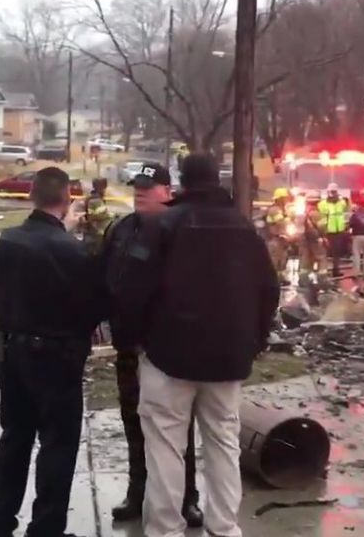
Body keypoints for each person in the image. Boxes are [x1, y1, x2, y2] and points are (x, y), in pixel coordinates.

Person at [116, 154, 280, 537]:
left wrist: (133, 339)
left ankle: (166, 529)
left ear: (183, 183)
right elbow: (268, 290)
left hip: (167, 357)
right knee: (223, 442)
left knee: (165, 448)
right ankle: (224, 528)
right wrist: (252, 342)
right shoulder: (244, 228)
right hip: (227, 359)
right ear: (216, 181)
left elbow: (133, 289)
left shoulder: (163, 226)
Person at [0, 166, 102, 537]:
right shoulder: (72, 251)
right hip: (56, 359)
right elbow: (90, 310)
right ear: (68, 199)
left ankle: (0, 523)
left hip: (11, 353)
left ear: (32, 195)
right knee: (57, 444)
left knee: (14, 438)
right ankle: (46, 529)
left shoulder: (8, 241)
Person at [100, 162, 203, 527]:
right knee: (134, 420)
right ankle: (138, 491)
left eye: (148, 185)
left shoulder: (182, 230)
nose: (139, 191)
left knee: (179, 428)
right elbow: (106, 277)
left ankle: (187, 498)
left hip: (168, 350)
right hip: (130, 347)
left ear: (168, 191)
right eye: (136, 185)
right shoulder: (122, 229)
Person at [317, 183, 350, 278]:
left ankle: (336, 270)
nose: (333, 194)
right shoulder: (322, 204)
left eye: (334, 192)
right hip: (328, 231)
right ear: (328, 192)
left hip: (339, 231)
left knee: (337, 252)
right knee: (325, 252)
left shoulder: (342, 202)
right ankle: (324, 270)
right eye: (331, 192)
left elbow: (347, 207)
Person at [264, 188, 291, 276]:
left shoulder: (282, 210)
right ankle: (273, 278)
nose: (286, 200)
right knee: (274, 260)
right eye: (285, 198)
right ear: (280, 199)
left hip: (281, 239)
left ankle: (280, 278)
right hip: (274, 239)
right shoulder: (274, 210)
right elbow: (281, 222)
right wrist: (290, 219)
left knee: (282, 259)